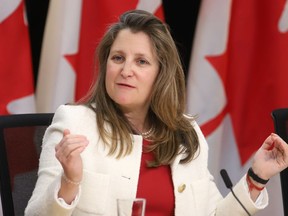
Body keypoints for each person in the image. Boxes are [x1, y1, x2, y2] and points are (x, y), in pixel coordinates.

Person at [25, 9, 288, 216]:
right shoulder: (75, 123)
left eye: (141, 61)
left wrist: (257, 176)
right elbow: (35, 214)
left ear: (161, 74)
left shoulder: (185, 133)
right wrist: (70, 181)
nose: (126, 70)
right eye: (118, 58)